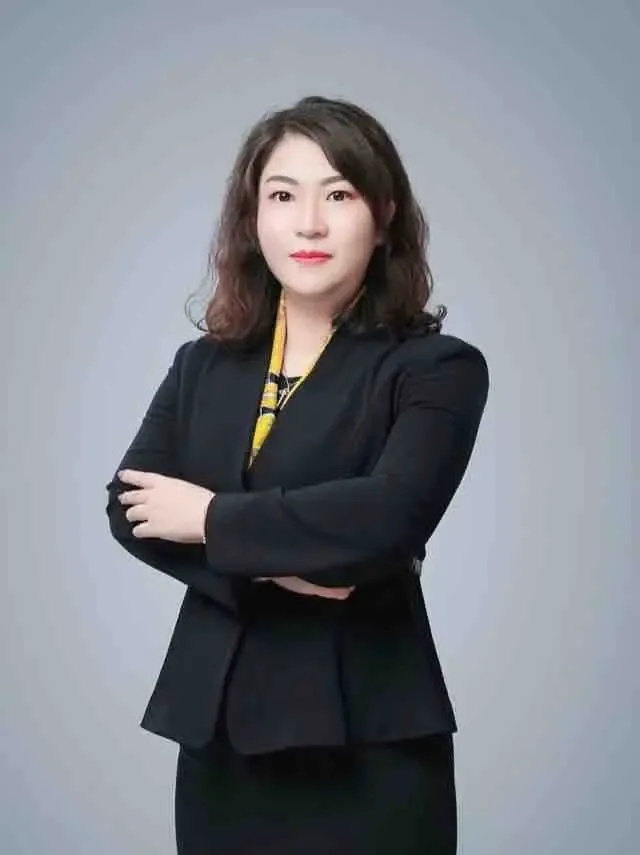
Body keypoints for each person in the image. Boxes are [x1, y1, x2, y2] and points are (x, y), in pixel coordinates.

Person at [105, 94, 489, 855]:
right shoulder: (203, 365)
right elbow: (130, 507)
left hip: (369, 735)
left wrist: (210, 520)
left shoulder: (437, 368)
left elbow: (386, 518)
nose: (308, 224)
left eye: (338, 195)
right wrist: (305, 563)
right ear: (253, 217)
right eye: (282, 196)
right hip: (220, 736)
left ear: (383, 216)